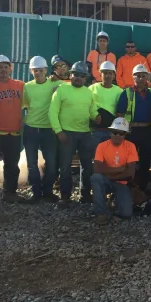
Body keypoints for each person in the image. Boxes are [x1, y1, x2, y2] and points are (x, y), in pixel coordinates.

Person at [49, 61, 101, 206]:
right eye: (76, 74)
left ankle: (85, 195)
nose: (79, 78)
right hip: (66, 134)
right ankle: (65, 196)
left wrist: (96, 116)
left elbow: (92, 110)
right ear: (70, 75)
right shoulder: (61, 90)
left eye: (82, 76)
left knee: (87, 166)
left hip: (84, 134)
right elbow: (52, 112)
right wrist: (59, 131)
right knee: (65, 166)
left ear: (86, 78)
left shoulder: (88, 92)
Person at [22, 56, 62, 203]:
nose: (38, 72)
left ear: (46, 70)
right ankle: (36, 193)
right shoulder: (27, 87)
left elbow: (72, 85)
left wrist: (57, 78)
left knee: (51, 164)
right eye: (35, 70)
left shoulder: (56, 83)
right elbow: (24, 105)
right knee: (32, 164)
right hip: (31, 129)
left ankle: (47, 192)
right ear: (31, 71)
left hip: (48, 130)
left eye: (40, 70)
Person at [116, 64, 151, 192]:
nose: (140, 78)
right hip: (131, 132)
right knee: (129, 161)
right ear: (133, 77)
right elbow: (120, 114)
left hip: (146, 131)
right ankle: (127, 188)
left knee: (145, 161)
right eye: (138, 76)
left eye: (143, 76)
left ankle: (141, 189)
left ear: (147, 77)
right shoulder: (126, 93)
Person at [91, 117, 138, 225]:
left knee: (126, 214)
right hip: (109, 180)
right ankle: (101, 213)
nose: (117, 135)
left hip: (122, 182)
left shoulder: (131, 146)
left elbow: (130, 172)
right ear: (110, 133)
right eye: (115, 132)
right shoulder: (101, 146)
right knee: (96, 178)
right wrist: (121, 169)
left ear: (125, 134)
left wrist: (109, 175)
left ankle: (116, 201)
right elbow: (96, 168)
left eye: (121, 133)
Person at [0, 55, 25, 203]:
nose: (2, 69)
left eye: (5, 66)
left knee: (12, 165)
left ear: (10, 68)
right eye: (0, 67)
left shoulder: (20, 85)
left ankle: (10, 192)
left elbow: (37, 87)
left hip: (14, 132)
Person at [89, 61, 123, 150]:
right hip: (94, 130)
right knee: (93, 155)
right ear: (100, 74)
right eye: (105, 73)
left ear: (114, 75)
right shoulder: (92, 88)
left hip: (110, 132)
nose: (107, 75)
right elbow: (86, 105)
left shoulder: (119, 91)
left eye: (110, 73)